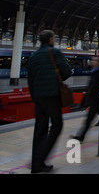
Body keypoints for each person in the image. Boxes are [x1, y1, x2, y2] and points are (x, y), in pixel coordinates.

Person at [28, 30, 72, 173]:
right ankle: (42, 158)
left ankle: (36, 164)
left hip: (39, 96)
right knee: (57, 125)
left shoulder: (33, 56)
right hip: (53, 94)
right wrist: (59, 80)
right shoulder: (54, 52)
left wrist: (34, 96)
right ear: (51, 40)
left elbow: (30, 79)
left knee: (40, 128)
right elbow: (67, 70)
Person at [71, 57, 99, 143]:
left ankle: (81, 136)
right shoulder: (94, 72)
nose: (92, 61)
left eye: (94, 60)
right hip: (96, 100)